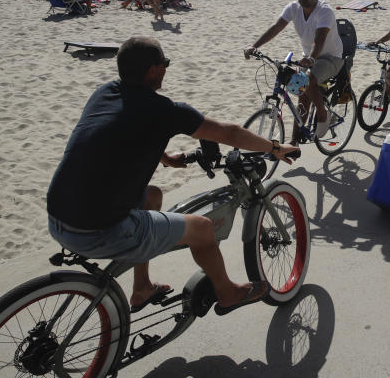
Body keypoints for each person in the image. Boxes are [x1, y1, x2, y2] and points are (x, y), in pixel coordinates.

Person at [46, 37, 297, 315]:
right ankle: (228, 293)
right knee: (201, 228)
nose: (166, 69)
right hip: (99, 230)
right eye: (164, 63)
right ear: (153, 70)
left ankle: (141, 286)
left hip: (58, 216)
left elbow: (111, 132)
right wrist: (275, 147)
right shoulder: (165, 110)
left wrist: (165, 159)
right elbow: (229, 133)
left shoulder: (105, 93)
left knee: (152, 195)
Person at [245, 0, 344, 141]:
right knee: (302, 97)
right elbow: (277, 27)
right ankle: (294, 142)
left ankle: (322, 114)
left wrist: (312, 59)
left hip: (331, 57)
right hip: (309, 58)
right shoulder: (293, 8)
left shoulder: (325, 11)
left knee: (309, 80)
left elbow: (319, 40)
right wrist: (255, 46)